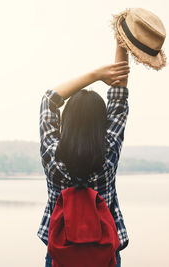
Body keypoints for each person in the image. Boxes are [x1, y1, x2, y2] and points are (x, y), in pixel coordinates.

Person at [38, 38, 130, 267]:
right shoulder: (108, 156)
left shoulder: (53, 159)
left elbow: (49, 100)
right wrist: (124, 40)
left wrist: (96, 75)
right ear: (102, 125)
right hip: (104, 255)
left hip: (60, 256)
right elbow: (118, 99)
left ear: (66, 122)